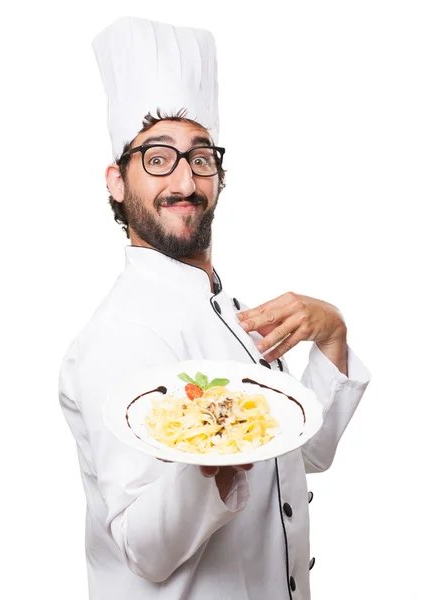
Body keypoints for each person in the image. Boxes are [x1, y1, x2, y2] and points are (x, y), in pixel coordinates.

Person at [58, 16, 370, 600]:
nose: (185, 179)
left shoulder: (233, 313)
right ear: (116, 182)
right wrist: (219, 457)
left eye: (200, 158)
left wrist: (332, 336)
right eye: (157, 157)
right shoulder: (121, 337)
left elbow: (302, 457)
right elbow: (145, 551)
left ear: (220, 176)